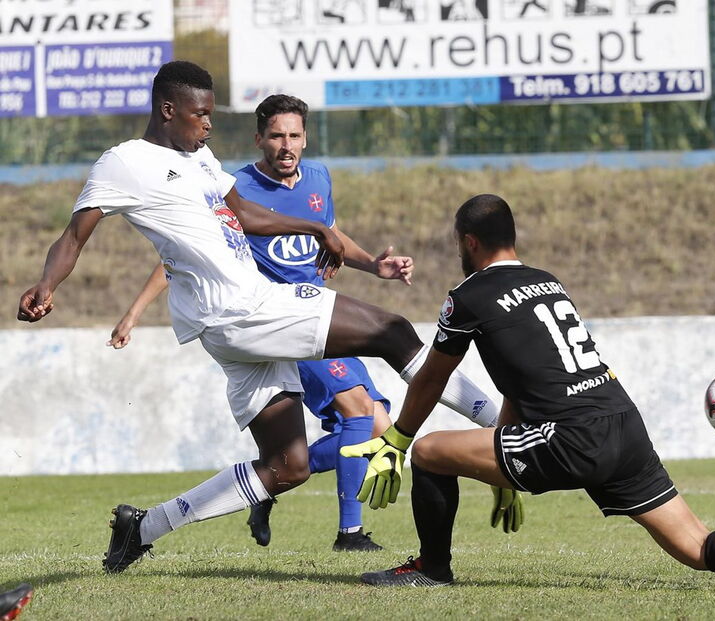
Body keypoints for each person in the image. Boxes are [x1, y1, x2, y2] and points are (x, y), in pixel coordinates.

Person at [16, 60, 499, 574]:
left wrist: (316, 227)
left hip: (233, 321)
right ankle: (511, 425)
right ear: (167, 110)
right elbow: (73, 237)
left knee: (287, 466)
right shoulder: (124, 162)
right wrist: (47, 285)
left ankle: (143, 527)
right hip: (240, 310)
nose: (208, 124)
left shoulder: (199, 156)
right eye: (200, 114)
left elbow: (244, 215)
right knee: (393, 331)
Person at [340, 194, 715, 599]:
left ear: (468, 241)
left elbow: (431, 377)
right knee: (696, 544)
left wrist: (399, 437)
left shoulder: (470, 295)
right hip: (622, 422)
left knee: (432, 452)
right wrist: (496, 460)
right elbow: (525, 382)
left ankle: (432, 569)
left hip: (570, 436)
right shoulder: (547, 281)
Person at [107, 93, 468, 552]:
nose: (286, 145)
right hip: (280, 323)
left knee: (373, 426)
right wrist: (135, 312)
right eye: (276, 135)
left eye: (294, 135)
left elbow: (330, 232)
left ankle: (262, 487)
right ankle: (350, 534)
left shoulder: (317, 177)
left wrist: (372, 266)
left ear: (305, 139)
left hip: (320, 309)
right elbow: (183, 256)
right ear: (259, 139)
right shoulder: (233, 189)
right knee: (360, 413)